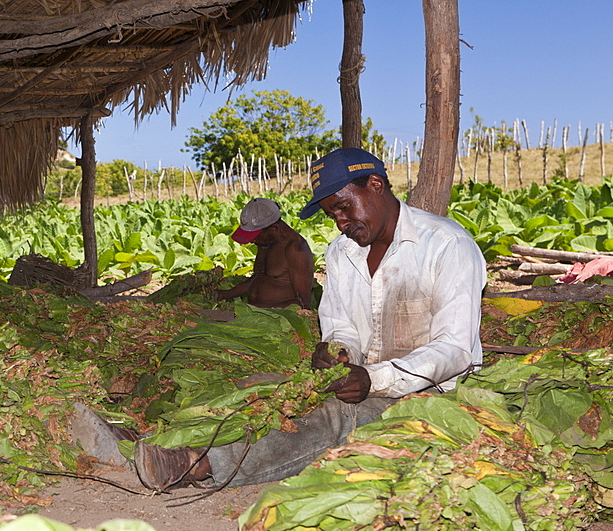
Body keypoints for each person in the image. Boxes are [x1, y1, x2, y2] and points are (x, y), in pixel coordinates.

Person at [106, 147, 486, 491]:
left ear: (375, 185)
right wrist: (337, 351)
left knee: (336, 419)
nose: (339, 222)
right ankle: (166, 434)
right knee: (271, 392)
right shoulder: (342, 253)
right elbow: (341, 325)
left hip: (433, 392)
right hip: (364, 377)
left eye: (343, 207)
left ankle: (197, 463)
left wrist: (375, 378)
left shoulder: (447, 245)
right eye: (331, 214)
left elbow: (455, 350)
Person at [215, 197, 314, 309]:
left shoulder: (296, 249)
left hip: (281, 320)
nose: (252, 241)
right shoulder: (265, 241)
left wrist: (256, 309)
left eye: (255, 236)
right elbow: (259, 277)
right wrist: (226, 294)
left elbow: (303, 303)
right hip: (256, 314)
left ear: (273, 229)